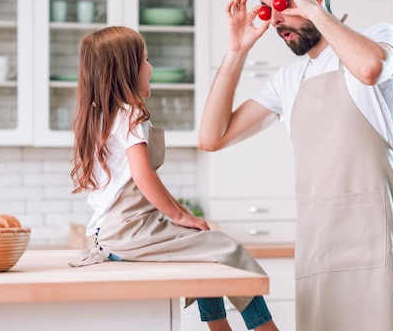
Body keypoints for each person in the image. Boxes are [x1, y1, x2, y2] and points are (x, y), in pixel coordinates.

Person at [197, 0, 393, 331]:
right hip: (318, 244)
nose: (276, 19)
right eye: (268, 10)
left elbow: (369, 69)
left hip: (374, 240)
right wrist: (237, 50)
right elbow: (211, 138)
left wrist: (315, 11)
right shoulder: (288, 79)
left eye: (283, 2)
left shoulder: (378, 37)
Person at [67, 26, 280, 331]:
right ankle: (265, 328)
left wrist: (180, 216)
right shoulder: (129, 115)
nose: (151, 68)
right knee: (224, 247)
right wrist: (179, 214)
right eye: (145, 60)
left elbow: (141, 176)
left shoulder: (101, 116)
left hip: (113, 233)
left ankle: (220, 327)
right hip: (131, 230)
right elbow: (143, 175)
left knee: (204, 253)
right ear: (127, 70)